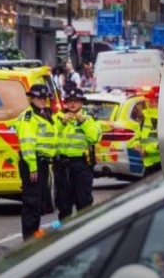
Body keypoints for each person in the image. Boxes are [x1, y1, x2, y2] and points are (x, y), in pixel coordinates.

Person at [15, 84, 57, 240]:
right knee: (31, 203)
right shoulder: (29, 117)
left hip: (43, 163)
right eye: (39, 98)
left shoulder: (44, 114)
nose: (42, 101)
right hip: (33, 164)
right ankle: (29, 240)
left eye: (44, 98)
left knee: (38, 203)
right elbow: (27, 144)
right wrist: (33, 167)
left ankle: (34, 237)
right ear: (31, 98)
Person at [53, 88, 101, 220]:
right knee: (64, 205)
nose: (73, 104)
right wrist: (62, 123)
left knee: (84, 203)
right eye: (70, 101)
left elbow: (95, 137)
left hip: (81, 165)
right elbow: (50, 136)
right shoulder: (57, 118)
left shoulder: (89, 119)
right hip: (62, 166)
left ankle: (84, 234)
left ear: (81, 103)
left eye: (76, 101)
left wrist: (83, 123)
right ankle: (64, 236)